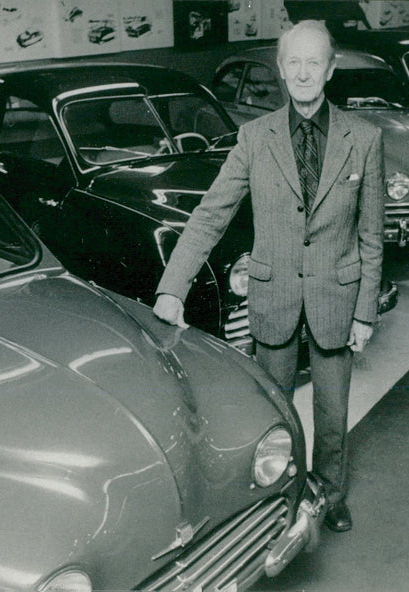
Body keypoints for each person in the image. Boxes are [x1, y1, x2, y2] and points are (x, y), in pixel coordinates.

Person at [153, 19, 384, 533]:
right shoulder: (254, 138)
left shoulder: (364, 139)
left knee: (332, 410)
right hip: (273, 295)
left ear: (330, 69)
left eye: (313, 62)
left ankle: (329, 491)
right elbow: (212, 212)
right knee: (273, 409)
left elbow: (371, 235)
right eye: (293, 62)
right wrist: (173, 287)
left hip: (336, 297)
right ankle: (282, 493)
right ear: (281, 70)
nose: (303, 73)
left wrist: (365, 309)